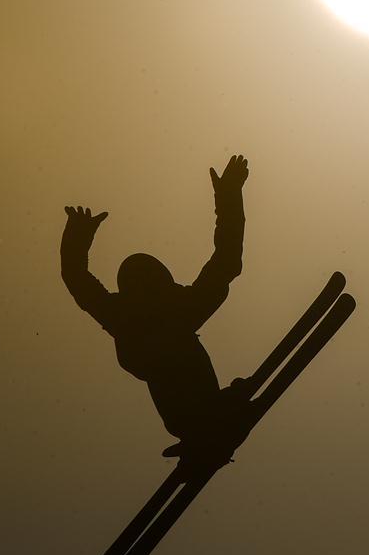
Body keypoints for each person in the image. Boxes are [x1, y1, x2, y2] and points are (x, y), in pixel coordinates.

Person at [60, 155, 251, 463]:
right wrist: (228, 196)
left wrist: (229, 195)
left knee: (199, 396)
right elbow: (226, 260)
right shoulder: (153, 312)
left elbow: (78, 280)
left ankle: (211, 422)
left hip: (193, 417)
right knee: (196, 393)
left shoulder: (146, 312)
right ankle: (210, 423)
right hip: (191, 418)